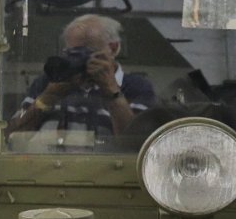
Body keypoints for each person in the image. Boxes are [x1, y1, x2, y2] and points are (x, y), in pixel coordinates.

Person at [8, 14, 154, 139]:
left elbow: (136, 145)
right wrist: (47, 98)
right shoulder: (48, 82)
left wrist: (113, 93)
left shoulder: (135, 87)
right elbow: (12, 136)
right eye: (71, 54)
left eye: (85, 52)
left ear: (113, 48)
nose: (77, 60)